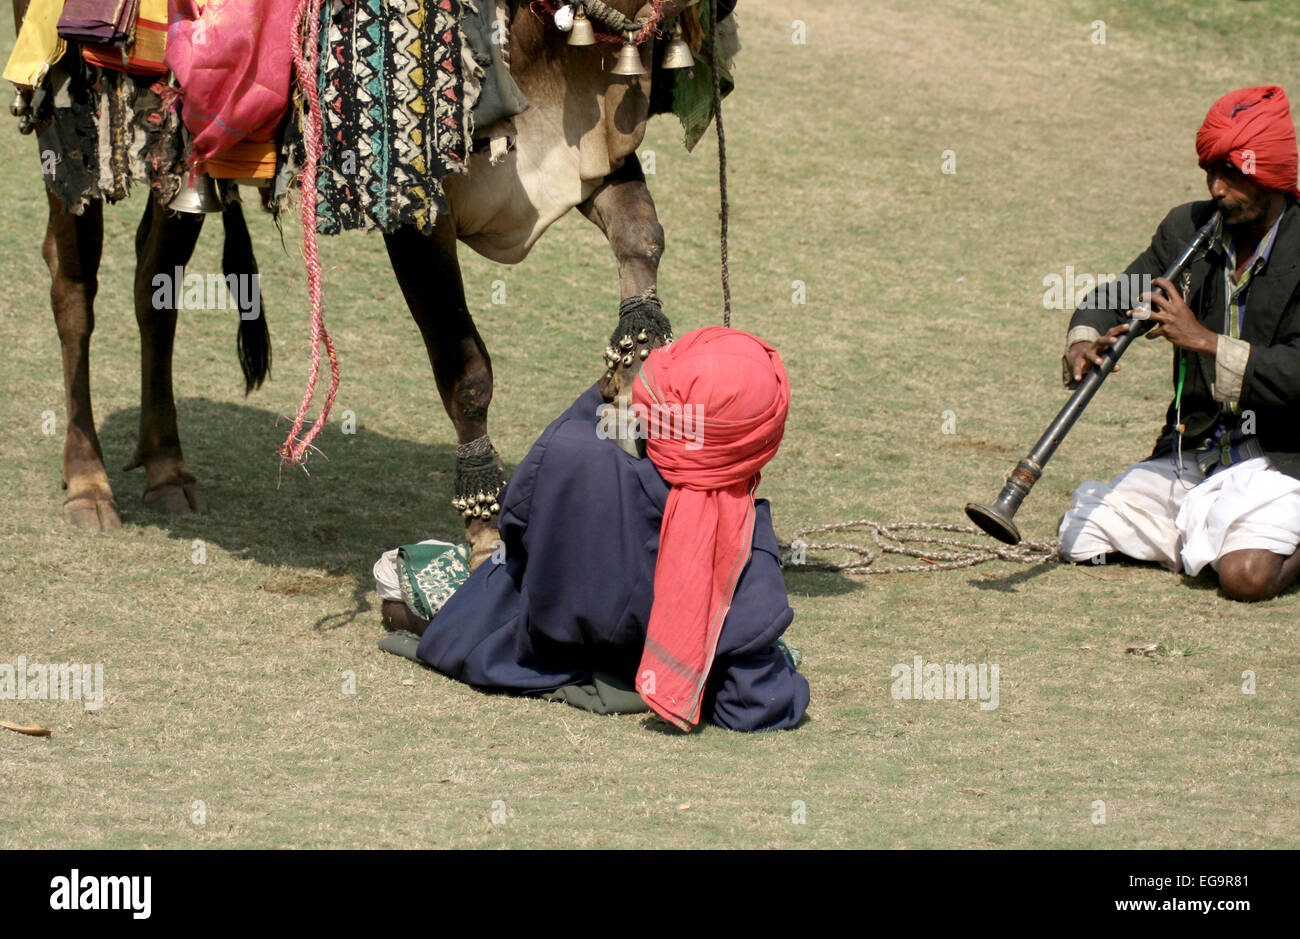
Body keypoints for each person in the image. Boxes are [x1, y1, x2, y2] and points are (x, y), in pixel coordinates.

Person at [384, 327, 809, 732]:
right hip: (627, 659)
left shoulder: (571, 447)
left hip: (527, 647)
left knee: (406, 575)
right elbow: (756, 704)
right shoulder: (742, 541)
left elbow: (515, 528)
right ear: (757, 440)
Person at [1058, 86, 1300, 601]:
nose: (1216, 188)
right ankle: (1214, 529)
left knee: (1246, 577)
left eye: (1230, 175)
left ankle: (1235, 535)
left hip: (1283, 455)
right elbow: (1121, 293)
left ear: (1269, 176)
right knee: (1081, 535)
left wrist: (1206, 342)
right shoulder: (1188, 228)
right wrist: (1084, 339)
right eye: (1210, 172)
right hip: (1199, 452)